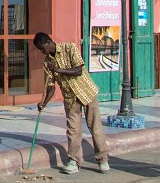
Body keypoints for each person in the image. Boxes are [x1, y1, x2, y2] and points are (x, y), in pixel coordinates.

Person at [33, 31, 109, 174]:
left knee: (95, 126)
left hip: (87, 92)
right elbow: (50, 86)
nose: (42, 52)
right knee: (73, 130)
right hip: (70, 98)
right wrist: (44, 102)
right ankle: (74, 161)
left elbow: (78, 70)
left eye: (43, 48)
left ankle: (103, 159)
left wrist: (58, 70)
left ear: (49, 43)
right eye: (40, 50)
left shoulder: (70, 48)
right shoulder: (47, 63)